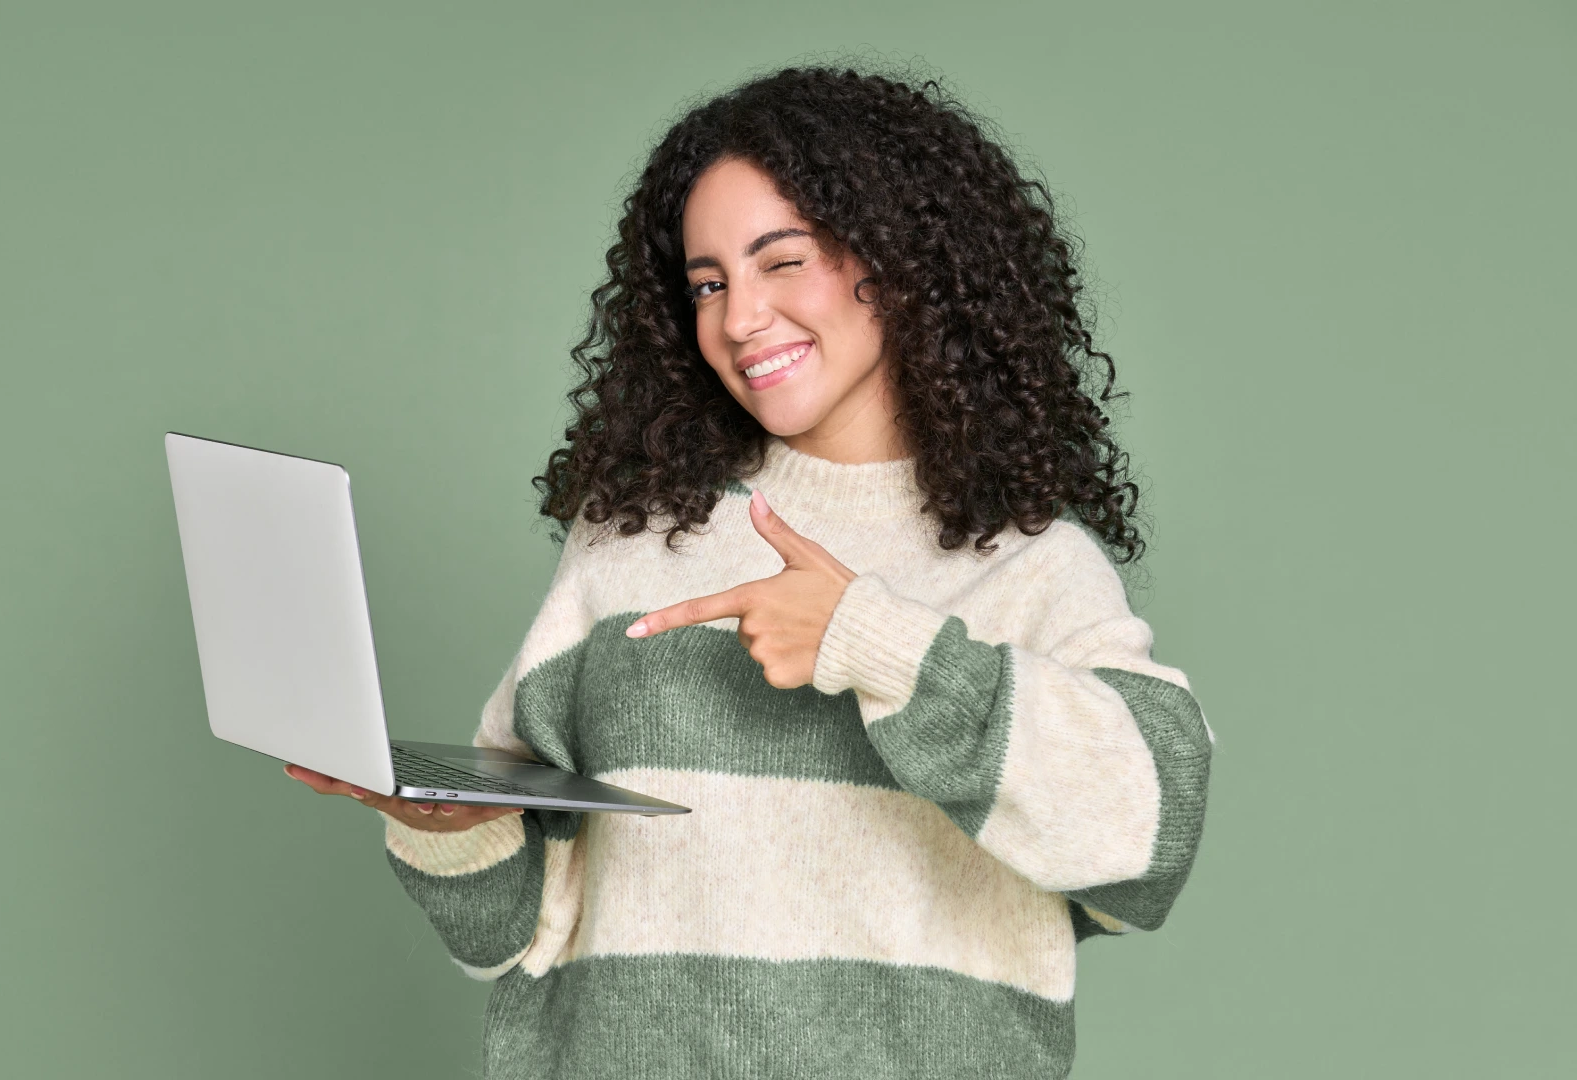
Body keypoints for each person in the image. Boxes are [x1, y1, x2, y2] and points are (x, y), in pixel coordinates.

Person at [285, 63, 1214, 1079]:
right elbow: (510, 934)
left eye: (782, 262)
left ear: (899, 262)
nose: (739, 319)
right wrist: (451, 830)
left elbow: (1147, 840)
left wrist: (873, 640)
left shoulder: (1030, 565)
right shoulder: (633, 542)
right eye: (709, 284)